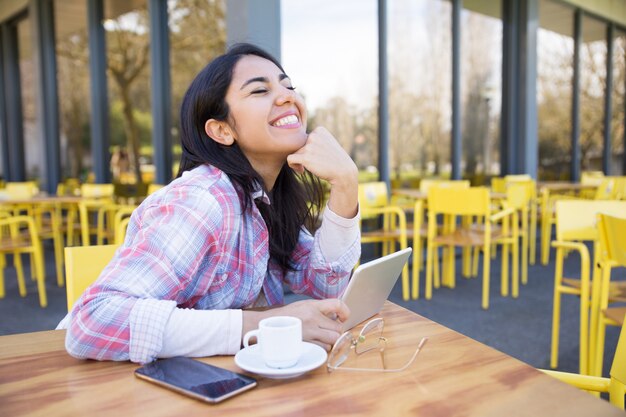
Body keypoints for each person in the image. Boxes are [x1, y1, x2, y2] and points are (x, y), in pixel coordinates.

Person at [63, 43, 361, 364]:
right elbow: (92, 322)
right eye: (260, 90)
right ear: (221, 130)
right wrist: (261, 326)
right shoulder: (203, 199)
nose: (288, 96)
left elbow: (326, 285)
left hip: (223, 383)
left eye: (289, 86)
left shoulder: (265, 198)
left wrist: (345, 184)